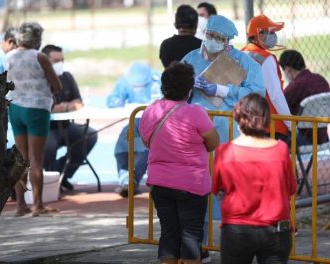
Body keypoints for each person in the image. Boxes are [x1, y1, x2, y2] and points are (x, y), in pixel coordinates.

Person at [182, 14, 265, 262]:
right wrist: (187, 88)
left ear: (229, 41)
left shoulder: (246, 64)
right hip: (194, 135)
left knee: (231, 187)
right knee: (196, 188)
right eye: (210, 35)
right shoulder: (191, 58)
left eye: (219, 38)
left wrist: (220, 90)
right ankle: (199, 244)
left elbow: (256, 92)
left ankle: (236, 244)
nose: (213, 40)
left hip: (228, 134)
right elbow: (172, 86)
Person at [139, 62, 220, 264]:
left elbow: (146, 140)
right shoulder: (196, 113)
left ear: (163, 86)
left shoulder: (150, 111)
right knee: (191, 236)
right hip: (191, 185)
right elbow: (213, 143)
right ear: (189, 89)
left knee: (169, 234)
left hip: (159, 182)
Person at [213, 93, 296, 264]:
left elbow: (218, 189)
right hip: (275, 228)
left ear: (238, 119)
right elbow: (291, 188)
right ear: (266, 120)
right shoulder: (280, 150)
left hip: (237, 228)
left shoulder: (225, 151)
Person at [6, 22, 62, 217]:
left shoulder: (9, 56)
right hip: (37, 108)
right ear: (37, 38)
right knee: (36, 160)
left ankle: (20, 205)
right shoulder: (40, 57)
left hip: (16, 108)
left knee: (21, 159)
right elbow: (57, 85)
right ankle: (37, 204)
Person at [41, 44, 98, 191]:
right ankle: (48, 181)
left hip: (67, 126)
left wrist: (62, 107)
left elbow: (78, 102)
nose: (60, 63)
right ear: (45, 61)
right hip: (46, 128)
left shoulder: (67, 77)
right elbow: (47, 108)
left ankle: (61, 174)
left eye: (62, 60)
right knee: (48, 146)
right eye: (56, 60)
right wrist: (67, 106)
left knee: (90, 135)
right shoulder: (39, 81)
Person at [106, 61, 161, 197]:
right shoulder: (125, 81)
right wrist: (117, 102)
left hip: (157, 124)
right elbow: (112, 100)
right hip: (134, 121)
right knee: (122, 145)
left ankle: (133, 180)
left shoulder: (158, 80)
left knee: (149, 148)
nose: (138, 88)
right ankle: (125, 178)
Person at [242, 14, 292, 143]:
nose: (274, 36)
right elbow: (275, 95)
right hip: (271, 124)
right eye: (270, 32)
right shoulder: (266, 58)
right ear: (259, 34)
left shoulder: (241, 53)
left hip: (247, 121)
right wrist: (290, 124)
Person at [279, 49, 330, 145]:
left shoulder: (296, 85)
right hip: (323, 137)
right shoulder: (321, 79)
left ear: (288, 69)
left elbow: (281, 106)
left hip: (303, 138)